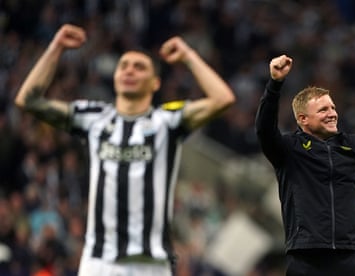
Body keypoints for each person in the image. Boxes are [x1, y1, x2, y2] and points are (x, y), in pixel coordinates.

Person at [14, 24, 235, 276]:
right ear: (116, 76)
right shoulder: (94, 118)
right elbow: (27, 100)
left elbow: (223, 99)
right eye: (124, 65)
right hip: (98, 262)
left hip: (150, 264)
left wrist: (188, 55)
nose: (129, 70)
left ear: (155, 83)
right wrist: (56, 47)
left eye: (139, 67)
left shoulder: (167, 121)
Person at [255, 54, 355, 276]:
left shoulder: (353, 147)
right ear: (303, 119)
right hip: (307, 259)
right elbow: (264, 130)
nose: (332, 114)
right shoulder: (288, 150)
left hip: (349, 256)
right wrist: (274, 84)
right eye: (323, 110)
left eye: (332, 108)